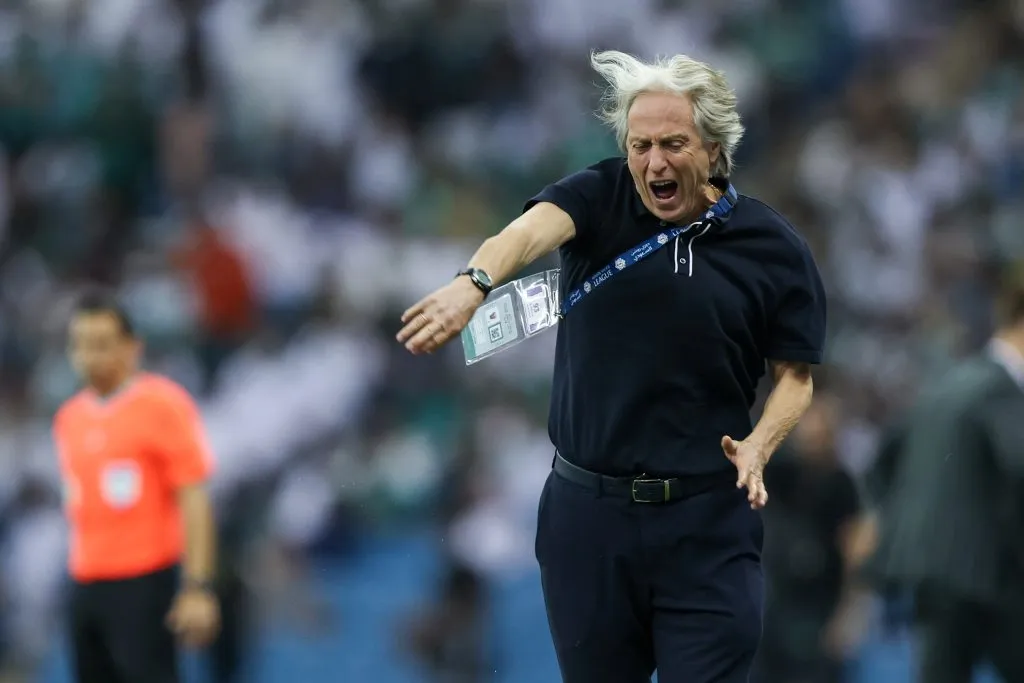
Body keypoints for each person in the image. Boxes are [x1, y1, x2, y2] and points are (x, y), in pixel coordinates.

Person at [397, 50, 826, 683]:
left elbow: (796, 377)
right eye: (640, 145)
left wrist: (761, 443)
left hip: (708, 520)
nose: (654, 163)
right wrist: (474, 283)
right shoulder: (599, 196)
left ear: (714, 150)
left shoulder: (773, 248)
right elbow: (526, 233)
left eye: (674, 144)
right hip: (588, 521)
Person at [866, 262, 1024, 683]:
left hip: (930, 573)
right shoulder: (1002, 391)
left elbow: (882, 464)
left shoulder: (947, 383)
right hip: (988, 577)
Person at [52, 290, 221, 683]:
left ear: (132, 347)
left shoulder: (163, 405)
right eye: (80, 345)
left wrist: (198, 585)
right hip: (85, 580)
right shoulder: (69, 418)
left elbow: (194, 497)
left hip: (143, 580)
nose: (89, 357)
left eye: (101, 345)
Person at [753, 395, 869, 683]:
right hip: (772, 608)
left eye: (823, 433)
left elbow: (856, 552)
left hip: (818, 612)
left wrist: (848, 613)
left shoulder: (842, 485)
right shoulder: (780, 474)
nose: (814, 440)